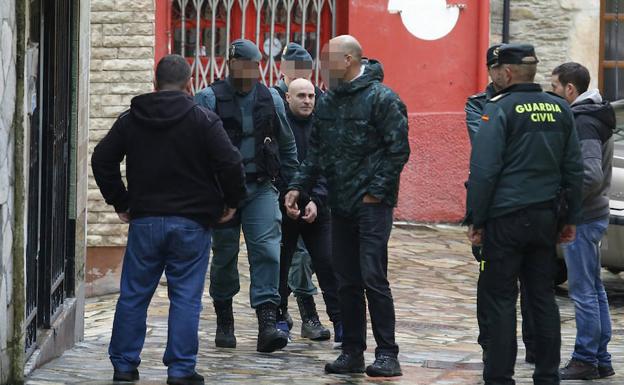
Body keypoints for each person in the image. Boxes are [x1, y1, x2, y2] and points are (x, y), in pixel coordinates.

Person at [92, 54, 246, 385]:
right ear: (190, 84)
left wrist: (121, 200)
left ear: (155, 81)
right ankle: (180, 370)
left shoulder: (131, 120)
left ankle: (123, 365)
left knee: (133, 294)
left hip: (145, 220)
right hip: (191, 223)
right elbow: (231, 163)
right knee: (186, 297)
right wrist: (230, 203)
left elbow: (102, 159)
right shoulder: (203, 119)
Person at [285, 35, 410, 377]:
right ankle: (352, 351)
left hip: (372, 206)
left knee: (373, 277)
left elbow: (398, 150)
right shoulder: (329, 102)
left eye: (328, 60)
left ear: (350, 61)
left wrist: (376, 192)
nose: (322, 67)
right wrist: (298, 187)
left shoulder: (382, 99)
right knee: (346, 280)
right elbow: (316, 153)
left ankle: (387, 353)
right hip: (339, 205)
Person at [466, 44, 583, 385]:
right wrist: (571, 218)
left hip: (506, 218)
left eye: (493, 71)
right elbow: (573, 169)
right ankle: (547, 376)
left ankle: (500, 377)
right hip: (546, 217)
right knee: (542, 298)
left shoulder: (499, 109)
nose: (491, 77)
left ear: (505, 73)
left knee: (500, 299)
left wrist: (476, 219)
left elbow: (484, 170)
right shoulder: (560, 108)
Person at [194, 39, 299, 353]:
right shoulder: (208, 98)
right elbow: (194, 151)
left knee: (267, 250)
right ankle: (224, 318)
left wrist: (294, 186)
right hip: (223, 193)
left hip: (261, 187)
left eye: (257, 65)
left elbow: (288, 145)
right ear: (232, 63)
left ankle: (267, 323)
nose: (252, 72)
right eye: (247, 65)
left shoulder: (272, 99)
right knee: (224, 256)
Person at [465, 43, 536, 364]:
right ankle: (490, 343)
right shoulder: (478, 103)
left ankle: (534, 347)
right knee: (490, 280)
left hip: (529, 201)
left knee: (535, 284)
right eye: (494, 68)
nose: (498, 74)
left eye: (501, 68)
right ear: (490, 70)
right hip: (492, 202)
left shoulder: (534, 102)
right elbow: (483, 143)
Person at [551, 62, 616, 380]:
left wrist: (563, 203)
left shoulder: (584, 122)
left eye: (555, 87)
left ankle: (586, 358)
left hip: (584, 217)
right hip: (594, 214)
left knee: (583, 292)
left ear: (570, 89)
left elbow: (589, 175)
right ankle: (600, 358)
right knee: (594, 288)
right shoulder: (595, 113)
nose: (553, 93)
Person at [278, 78, 342, 341]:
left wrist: (317, 200)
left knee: (328, 264)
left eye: (311, 96)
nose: (307, 101)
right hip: (286, 207)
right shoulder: (280, 126)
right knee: (280, 266)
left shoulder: (324, 126)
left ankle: (341, 323)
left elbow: (330, 168)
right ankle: (279, 318)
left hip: (319, 208)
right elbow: (278, 166)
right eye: (301, 96)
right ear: (287, 98)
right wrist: (289, 199)